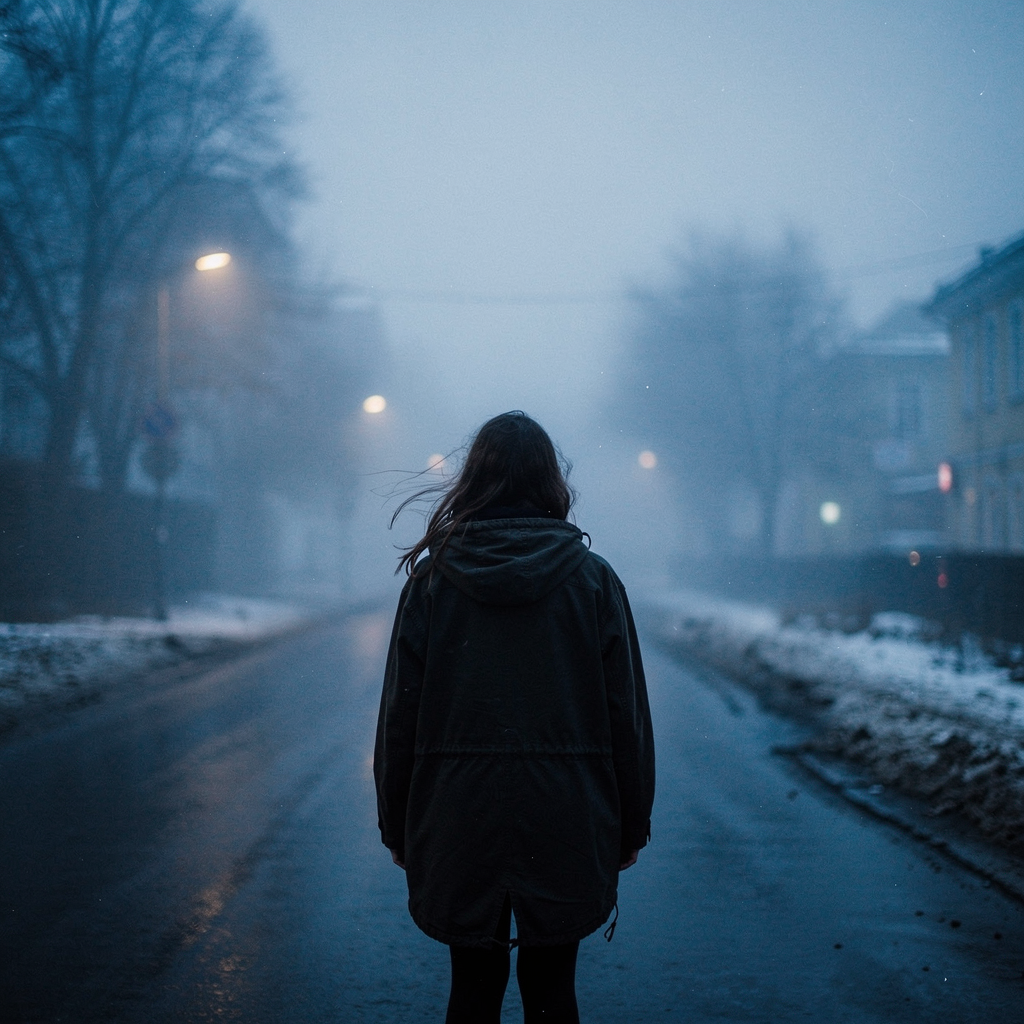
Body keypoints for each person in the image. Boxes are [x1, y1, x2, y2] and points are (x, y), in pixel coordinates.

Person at [374, 411, 655, 1024]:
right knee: (553, 986)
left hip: (456, 810)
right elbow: (625, 715)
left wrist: (399, 825)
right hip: (566, 809)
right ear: (552, 482)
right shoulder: (593, 582)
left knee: (471, 987)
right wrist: (629, 823)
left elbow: (401, 716)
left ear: (473, 481)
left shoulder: (431, 584)